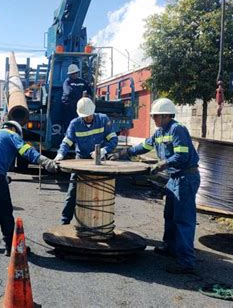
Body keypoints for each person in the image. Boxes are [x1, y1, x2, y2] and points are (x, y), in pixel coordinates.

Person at [110, 98, 200, 274]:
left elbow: (182, 157)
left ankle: (186, 262)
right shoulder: (160, 132)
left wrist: (161, 164)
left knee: (183, 219)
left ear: (166, 115)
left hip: (186, 177)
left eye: (156, 116)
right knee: (170, 215)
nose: (153, 119)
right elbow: (143, 146)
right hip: (175, 178)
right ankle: (171, 248)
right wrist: (123, 153)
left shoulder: (177, 129)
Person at [0, 120, 58, 256]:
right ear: (15, 130)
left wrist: (1, 177)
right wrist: (46, 162)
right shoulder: (12, 135)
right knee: (4, 211)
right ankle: (11, 246)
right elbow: (27, 151)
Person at [54, 97, 118, 225]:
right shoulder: (75, 124)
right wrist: (60, 154)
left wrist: (103, 151)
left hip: (99, 161)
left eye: (89, 115)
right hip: (81, 161)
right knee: (72, 193)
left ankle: (98, 223)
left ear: (93, 112)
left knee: (101, 192)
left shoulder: (103, 120)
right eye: (85, 116)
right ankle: (64, 222)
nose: (87, 118)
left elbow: (113, 140)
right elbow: (67, 142)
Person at [62, 64, 92, 130]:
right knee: (69, 123)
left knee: (80, 122)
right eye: (72, 73)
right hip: (69, 107)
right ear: (69, 74)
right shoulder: (67, 82)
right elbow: (68, 92)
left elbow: (89, 90)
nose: (74, 74)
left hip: (80, 106)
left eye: (75, 73)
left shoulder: (82, 81)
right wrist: (80, 95)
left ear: (78, 72)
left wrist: (88, 95)